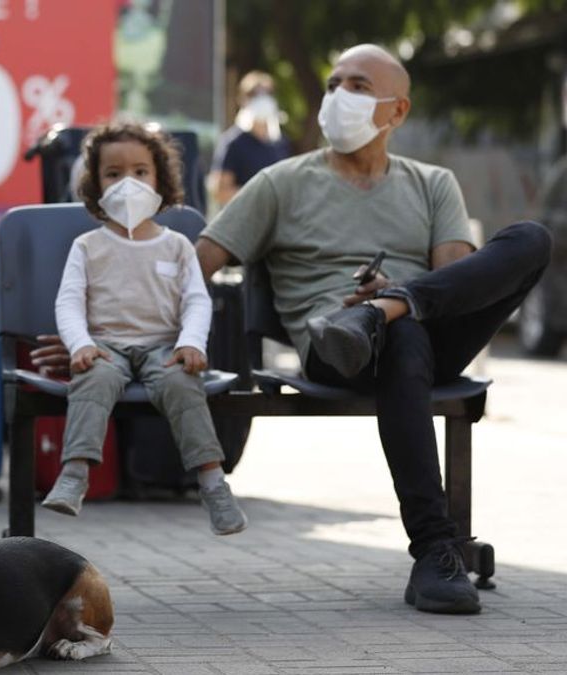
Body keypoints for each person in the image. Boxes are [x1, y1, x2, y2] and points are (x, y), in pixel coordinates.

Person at [32, 44, 551, 616]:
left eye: (357, 86)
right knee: (398, 337)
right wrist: (98, 339)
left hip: (427, 334)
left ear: (396, 111)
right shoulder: (280, 182)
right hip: (334, 346)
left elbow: (456, 281)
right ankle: (435, 550)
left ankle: (390, 306)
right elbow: (181, 272)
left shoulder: (433, 183)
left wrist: (391, 298)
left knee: (530, 239)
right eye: (333, 83)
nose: (337, 96)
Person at [40, 119, 248, 536]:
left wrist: (190, 342)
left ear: (161, 179)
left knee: (183, 387)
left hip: (163, 348)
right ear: (95, 184)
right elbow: (69, 301)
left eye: (140, 172)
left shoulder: (177, 245)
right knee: (91, 381)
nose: (128, 184)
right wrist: (80, 344)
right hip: (106, 347)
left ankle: (213, 483)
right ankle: (75, 474)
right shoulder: (88, 246)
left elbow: (196, 300)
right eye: (113, 174)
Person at [209, 71, 291, 208]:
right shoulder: (232, 142)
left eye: (267, 94)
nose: (263, 100)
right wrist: (258, 196)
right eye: (256, 94)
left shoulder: (280, 142)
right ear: (244, 100)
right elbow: (219, 192)